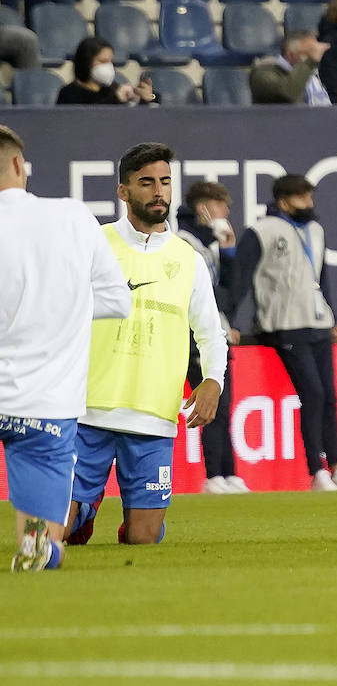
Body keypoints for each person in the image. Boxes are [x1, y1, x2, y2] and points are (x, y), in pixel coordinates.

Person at [64, 143, 228, 547]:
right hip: (87, 415)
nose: (159, 191)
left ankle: (123, 519)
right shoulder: (94, 244)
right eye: (147, 182)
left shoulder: (187, 258)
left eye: (165, 182)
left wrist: (213, 381)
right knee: (55, 532)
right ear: (124, 192)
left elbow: (210, 331)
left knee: (143, 539)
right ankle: (82, 514)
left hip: (152, 421)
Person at [0, 124, 130, 571]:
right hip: (44, 405)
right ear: (18, 164)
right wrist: (60, 304)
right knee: (40, 530)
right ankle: (39, 545)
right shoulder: (73, 217)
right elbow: (118, 301)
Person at [233, 175, 337, 492]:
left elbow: (322, 277)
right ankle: (316, 472)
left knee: (330, 396)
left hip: (318, 321)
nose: (309, 205)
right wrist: (230, 318)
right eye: (303, 199)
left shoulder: (315, 230)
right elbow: (240, 278)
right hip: (284, 323)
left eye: (310, 198)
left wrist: (333, 318)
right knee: (313, 394)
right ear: (285, 201)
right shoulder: (261, 231)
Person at [176, 182, 248, 495]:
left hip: (213, 334)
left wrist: (230, 251)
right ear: (204, 208)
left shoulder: (207, 245)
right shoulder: (183, 242)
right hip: (194, 337)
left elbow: (228, 296)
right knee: (210, 404)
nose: (227, 213)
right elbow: (200, 296)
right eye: (221, 206)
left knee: (223, 404)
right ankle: (213, 475)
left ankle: (228, 473)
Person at [57, 37, 157, 106]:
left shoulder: (112, 89)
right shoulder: (69, 94)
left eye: (110, 61)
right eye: (102, 61)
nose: (108, 66)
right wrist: (116, 99)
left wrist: (147, 97)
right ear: (85, 62)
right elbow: (91, 119)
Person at [250, 30, 332, 106]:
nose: (316, 56)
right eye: (310, 52)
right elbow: (289, 92)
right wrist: (310, 62)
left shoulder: (310, 73)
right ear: (290, 55)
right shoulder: (263, 73)